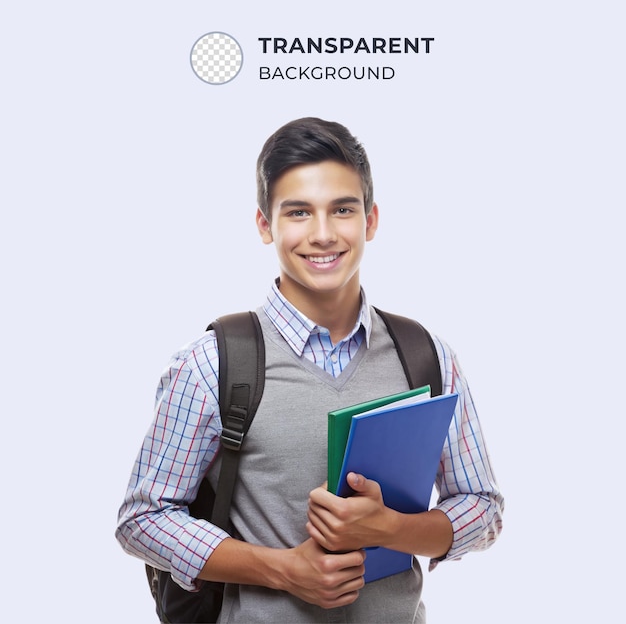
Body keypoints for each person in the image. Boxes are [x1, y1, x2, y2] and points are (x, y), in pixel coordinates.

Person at [116, 117, 504, 622]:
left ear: (370, 220)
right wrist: (282, 569)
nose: (323, 235)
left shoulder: (427, 355)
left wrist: (389, 529)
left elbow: (482, 505)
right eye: (298, 212)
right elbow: (142, 518)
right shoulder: (213, 363)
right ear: (265, 225)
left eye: (342, 209)